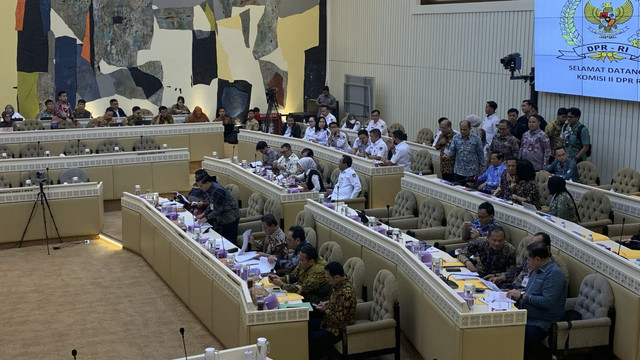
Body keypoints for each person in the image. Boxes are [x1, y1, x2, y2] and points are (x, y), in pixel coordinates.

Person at [507, 242, 567, 359]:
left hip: (542, 322)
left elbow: (547, 302)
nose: (527, 263)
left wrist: (522, 296)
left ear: (538, 259)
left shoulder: (554, 274)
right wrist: (517, 296)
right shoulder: (536, 270)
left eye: (528, 260)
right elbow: (530, 293)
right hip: (526, 315)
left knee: (513, 334)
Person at [309, 261, 357, 360]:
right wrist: (327, 303)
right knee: (307, 323)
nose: (327, 280)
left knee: (311, 338)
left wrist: (324, 310)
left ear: (337, 277)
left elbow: (338, 319)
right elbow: (337, 302)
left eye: (328, 278)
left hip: (337, 329)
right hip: (328, 322)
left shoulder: (345, 293)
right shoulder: (339, 284)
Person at [194, 170, 241, 243]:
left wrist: (206, 218)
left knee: (230, 241)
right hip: (222, 218)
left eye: (201, 186)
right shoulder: (208, 189)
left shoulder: (217, 191)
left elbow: (218, 209)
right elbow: (212, 204)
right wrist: (203, 215)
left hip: (230, 217)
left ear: (207, 183)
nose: (200, 188)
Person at [443, 120, 485, 184]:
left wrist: (483, 169)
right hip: (458, 170)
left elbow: (481, 154)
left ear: (470, 129)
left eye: (465, 130)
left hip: (471, 171)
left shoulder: (476, 139)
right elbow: (452, 149)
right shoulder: (456, 137)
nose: (462, 131)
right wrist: (448, 154)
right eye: (461, 129)